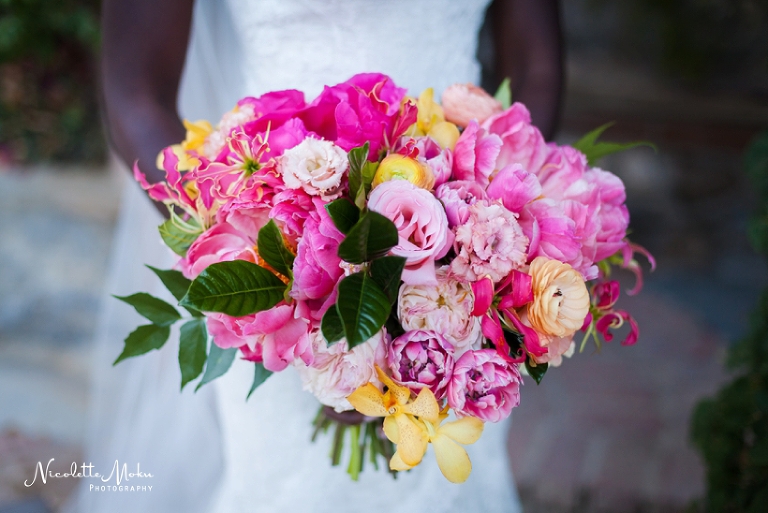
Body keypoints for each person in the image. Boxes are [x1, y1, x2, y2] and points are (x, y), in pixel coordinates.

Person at [69, 0, 562, 511]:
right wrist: (252, 243)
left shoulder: (471, 259)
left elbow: (537, 67)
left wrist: (483, 236)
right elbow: (135, 97)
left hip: (462, 272)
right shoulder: (271, 266)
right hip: (278, 258)